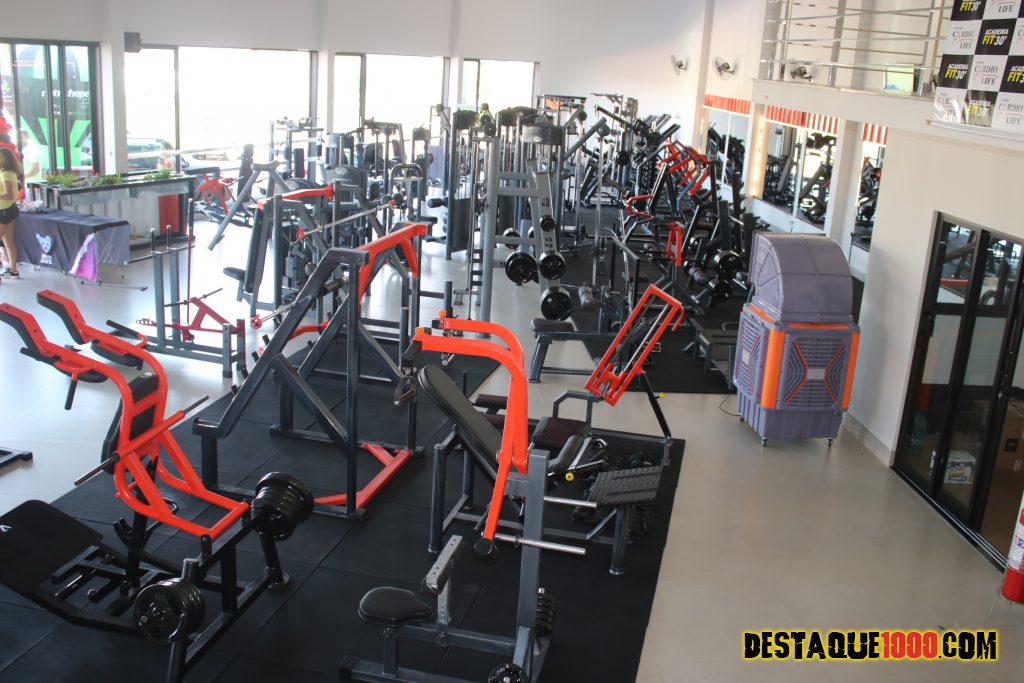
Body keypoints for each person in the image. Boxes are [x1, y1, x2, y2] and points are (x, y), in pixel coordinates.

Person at [0, 146, 24, 278]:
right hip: (9, 209)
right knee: (8, 240)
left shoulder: (6, 174)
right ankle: (13, 270)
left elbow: (8, 195)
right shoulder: (8, 173)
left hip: (5, 210)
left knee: (8, 240)